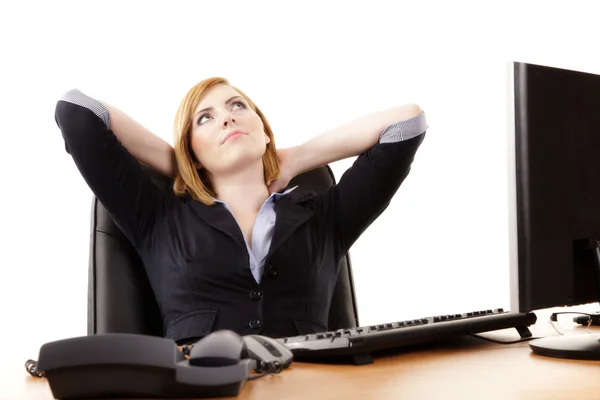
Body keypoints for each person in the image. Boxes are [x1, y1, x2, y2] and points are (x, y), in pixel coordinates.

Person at [55, 77, 427, 344]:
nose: (227, 118)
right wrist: (182, 165)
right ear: (192, 151)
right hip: (201, 389)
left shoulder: (325, 218)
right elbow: (77, 111)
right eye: (205, 118)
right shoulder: (158, 217)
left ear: (264, 131)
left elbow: (406, 124)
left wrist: (295, 158)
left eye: (237, 106)